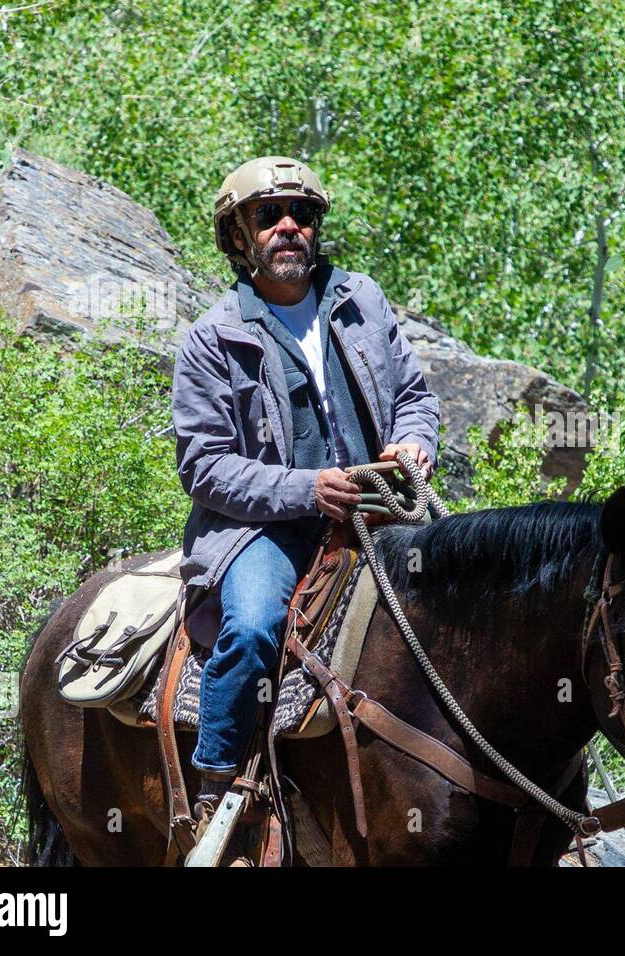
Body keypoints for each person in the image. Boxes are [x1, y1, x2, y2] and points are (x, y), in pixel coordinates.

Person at [171, 156, 439, 821]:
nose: (289, 227)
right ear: (237, 237)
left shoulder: (362, 301)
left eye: (304, 214)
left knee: (482, 600)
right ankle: (219, 783)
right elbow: (202, 466)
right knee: (255, 625)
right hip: (265, 530)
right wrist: (304, 490)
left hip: (383, 510)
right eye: (269, 216)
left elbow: (414, 397)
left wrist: (413, 442)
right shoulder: (211, 339)